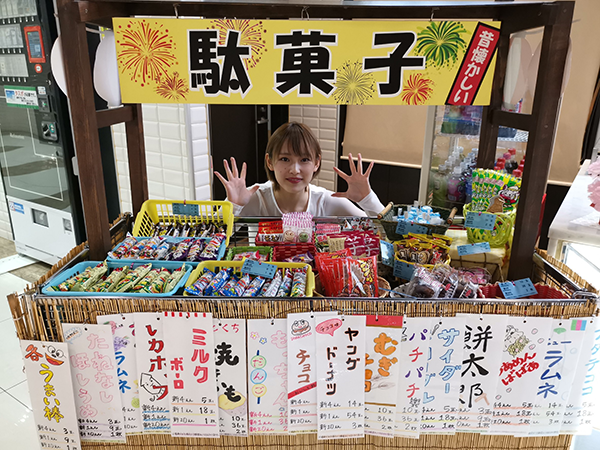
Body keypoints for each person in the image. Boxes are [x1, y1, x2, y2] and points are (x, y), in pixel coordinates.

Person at [214, 122, 385, 217]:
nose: (295, 170)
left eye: (304, 160)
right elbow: (209, 238)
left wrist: (367, 198)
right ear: (270, 162)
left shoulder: (325, 201)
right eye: (285, 159)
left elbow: (384, 232)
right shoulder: (255, 198)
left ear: (316, 163)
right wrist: (233, 206)